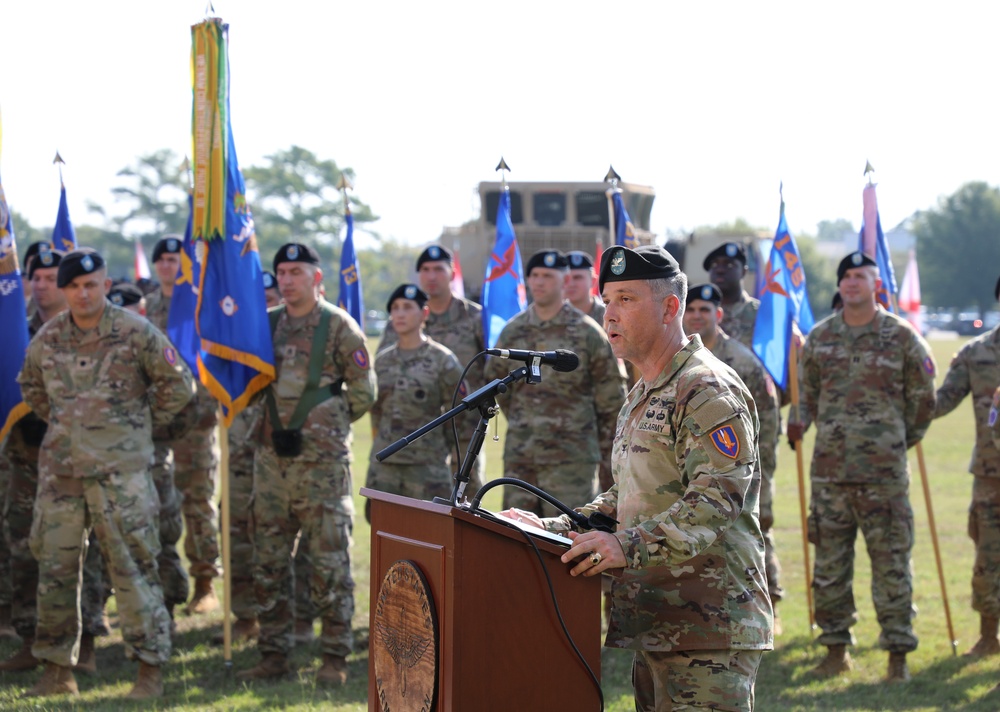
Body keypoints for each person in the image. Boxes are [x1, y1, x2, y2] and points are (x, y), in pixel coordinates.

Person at [505, 244, 772, 711]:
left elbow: (715, 502)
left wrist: (624, 547)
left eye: (626, 299)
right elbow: (629, 496)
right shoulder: (645, 390)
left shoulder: (706, 388)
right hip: (656, 618)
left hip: (708, 626)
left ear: (671, 307)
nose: (610, 314)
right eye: (606, 300)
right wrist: (549, 528)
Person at [18, 248, 196, 699]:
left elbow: (178, 385)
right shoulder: (50, 337)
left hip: (121, 474)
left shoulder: (135, 332)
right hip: (61, 473)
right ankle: (58, 668)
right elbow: (32, 387)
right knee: (56, 568)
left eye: (90, 285)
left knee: (133, 566)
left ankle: (148, 668)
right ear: (63, 289)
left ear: (104, 284)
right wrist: (66, 425)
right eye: (73, 286)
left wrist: (134, 425)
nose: (82, 293)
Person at [788, 251, 936, 682]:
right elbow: (806, 397)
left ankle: (898, 655)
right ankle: (835, 650)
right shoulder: (820, 338)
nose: (852, 282)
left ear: (876, 283)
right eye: (846, 277)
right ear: (840, 286)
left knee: (891, 566)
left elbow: (924, 399)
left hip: (883, 477)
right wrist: (798, 423)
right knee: (830, 566)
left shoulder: (902, 337)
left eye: (860, 276)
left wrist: (898, 440)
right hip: (829, 475)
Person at [238, 242, 376, 686]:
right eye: (281, 272)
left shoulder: (339, 326)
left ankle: (335, 655)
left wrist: (322, 427)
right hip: (271, 464)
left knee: (329, 562)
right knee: (269, 562)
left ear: (316, 278)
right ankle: (274, 652)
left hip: (320, 468)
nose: (286, 279)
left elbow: (363, 392)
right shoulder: (266, 326)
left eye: (296, 271)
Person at [485, 249, 626, 516]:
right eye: (534, 275)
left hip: (571, 461)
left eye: (547, 276)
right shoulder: (513, 331)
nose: (539, 282)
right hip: (521, 457)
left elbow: (611, 403)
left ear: (564, 282)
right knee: (515, 535)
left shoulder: (587, 333)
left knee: (567, 541)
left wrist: (609, 465)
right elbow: (498, 385)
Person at [683, 283, 784, 630]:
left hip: (745, 467)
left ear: (719, 315)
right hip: (695, 468)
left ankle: (769, 605)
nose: (697, 316)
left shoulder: (741, 360)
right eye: (691, 310)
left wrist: (762, 466)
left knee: (752, 530)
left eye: (704, 311)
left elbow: (768, 418)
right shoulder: (677, 357)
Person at [146, 235, 222, 617]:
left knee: (197, 503)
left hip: (196, 422)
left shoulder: (199, 306)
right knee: (159, 503)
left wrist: (207, 410)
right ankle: (165, 581)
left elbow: (212, 362)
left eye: (173, 259)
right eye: (160, 259)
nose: (165, 264)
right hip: (158, 424)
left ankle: (205, 581)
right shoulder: (144, 309)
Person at [380, 245, 486, 493]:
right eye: (425, 270)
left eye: (439, 269)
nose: (431, 276)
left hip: (465, 425)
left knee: (465, 494)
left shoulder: (475, 318)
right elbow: (384, 373)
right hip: (417, 430)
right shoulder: (404, 318)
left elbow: (494, 369)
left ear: (452, 272)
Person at [213, 269, 283, 646]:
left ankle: (292, 618)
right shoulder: (236, 341)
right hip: (240, 453)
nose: (267, 302)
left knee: (281, 540)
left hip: (282, 456)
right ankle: (245, 616)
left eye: (271, 295)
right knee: (238, 535)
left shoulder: (292, 336)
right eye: (260, 297)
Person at [932, 274, 1000, 658]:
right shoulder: (977, 353)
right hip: (992, 476)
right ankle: (989, 636)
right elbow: (939, 403)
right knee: (988, 559)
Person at [366, 284, 466, 517]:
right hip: (385, 468)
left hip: (427, 468)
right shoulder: (382, 362)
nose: (400, 314)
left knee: (430, 536)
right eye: (395, 308)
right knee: (384, 537)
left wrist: (458, 467)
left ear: (425, 313)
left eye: (407, 307)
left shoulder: (443, 361)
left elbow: (462, 416)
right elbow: (376, 412)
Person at [706, 242, 758, 350]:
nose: (720, 270)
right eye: (714, 265)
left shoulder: (761, 314)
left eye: (729, 265)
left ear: (743, 271)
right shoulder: (697, 314)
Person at [564, 250, 605, 324]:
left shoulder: (608, 316)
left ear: (593, 281)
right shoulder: (551, 316)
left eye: (577, 278)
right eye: (566, 278)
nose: (571, 284)